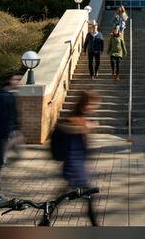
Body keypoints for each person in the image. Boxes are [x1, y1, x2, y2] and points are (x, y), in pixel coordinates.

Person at [54, 89, 100, 226]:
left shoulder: (80, 117)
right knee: (87, 197)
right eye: (93, 104)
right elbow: (72, 140)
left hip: (77, 164)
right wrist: (85, 127)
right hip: (75, 165)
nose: (94, 107)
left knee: (63, 195)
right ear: (86, 104)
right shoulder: (75, 119)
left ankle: (47, 213)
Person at [0, 75, 22, 204]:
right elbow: (1, 118)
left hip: (8, 133)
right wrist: (8, 135)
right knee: (0, 162)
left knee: (3, 161)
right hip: (3, 135)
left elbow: (13, 115)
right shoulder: (2, 96)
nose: (18, 82)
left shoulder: (9, 95)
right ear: (9, 80)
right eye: (16, 79)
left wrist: (17, 131)